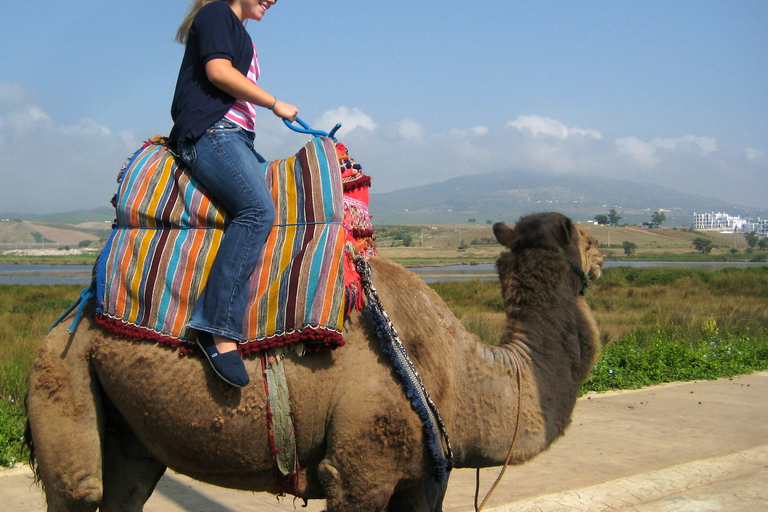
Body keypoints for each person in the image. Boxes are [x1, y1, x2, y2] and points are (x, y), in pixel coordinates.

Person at [169, 0, 298, 387]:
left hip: (237, 139)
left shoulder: (238, 31)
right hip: (213, 133)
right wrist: (275, 103)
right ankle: (216, 325)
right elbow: (218, 71)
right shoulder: (216, 14)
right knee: (258, 210)